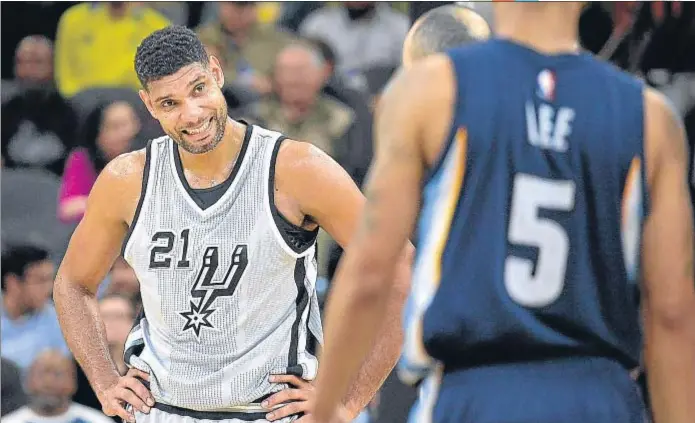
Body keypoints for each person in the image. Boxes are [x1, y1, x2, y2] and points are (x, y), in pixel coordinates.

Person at [313, 3, 695, 423]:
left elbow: (370, 271)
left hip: (476, 390)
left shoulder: (431, 89)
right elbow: (672, 313)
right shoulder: (651, 117)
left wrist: (328, 405)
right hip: (599, 393)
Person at [53, 25, 411, 423]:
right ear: (149, 106)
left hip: (269, 412)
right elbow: (72, 283)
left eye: (198, 89)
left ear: (217, 74)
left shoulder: (296, 169)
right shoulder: (127, 180)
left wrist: (346, 400)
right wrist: (104, 380)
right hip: (160, 411)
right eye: (169, 103)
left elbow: (398, 266)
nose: (191, 114)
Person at [3, 350, 114, 423]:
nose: (49, 382)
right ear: (27, 381)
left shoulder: (98, 421)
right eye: (42, 374)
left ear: (74, 382)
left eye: (58, 374)